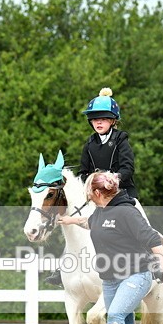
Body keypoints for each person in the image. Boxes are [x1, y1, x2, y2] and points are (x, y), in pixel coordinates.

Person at [59, 171, 163, 324]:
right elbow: (87, 222)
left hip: (137, 274)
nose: (87, 198)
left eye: (88, 194)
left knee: (115, 316)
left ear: (96, 193)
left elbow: (154, 242)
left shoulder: (127, 212)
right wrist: (69, 220)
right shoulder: (100, 212)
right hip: (111, 279)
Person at [45, 87, 138, 286]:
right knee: (75, 220)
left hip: (122, 194)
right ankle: (64, 266)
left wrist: (111, 181)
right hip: (96, 195)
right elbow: (84, 172)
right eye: (95, 119)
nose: (98, 122)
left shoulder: (121, 140)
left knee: (136, 216)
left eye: (103, 118)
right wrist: (93, 184)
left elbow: (128, 168)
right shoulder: (90, 144)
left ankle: (150, 261)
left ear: (113, 120)